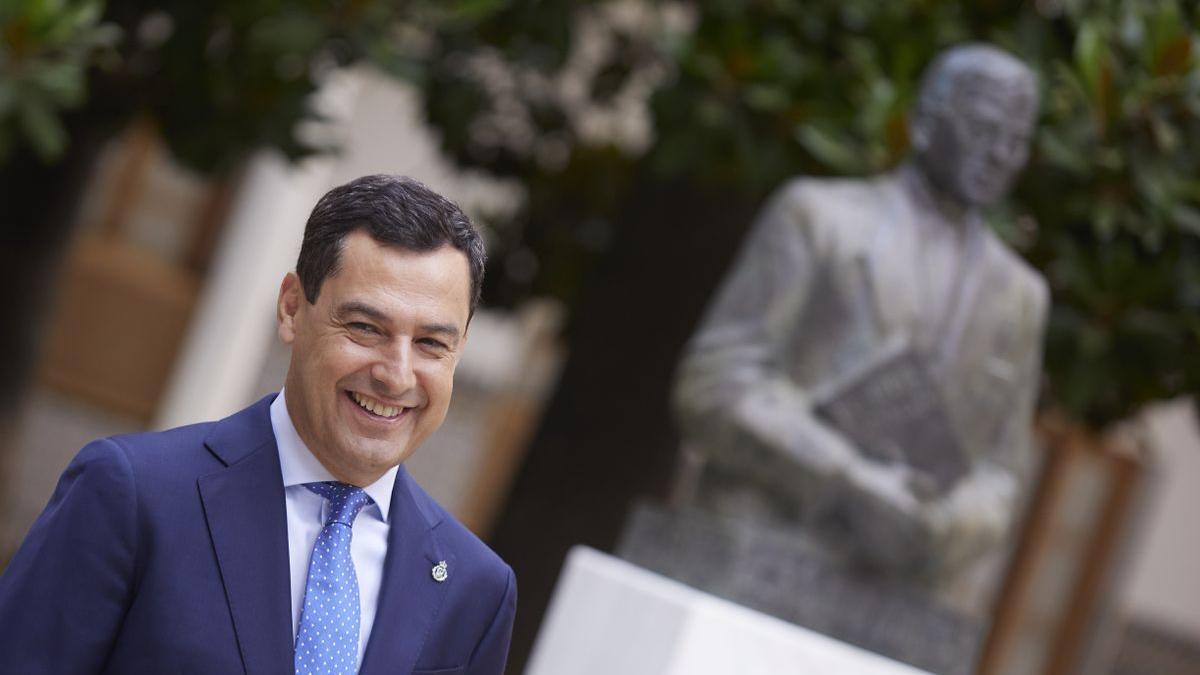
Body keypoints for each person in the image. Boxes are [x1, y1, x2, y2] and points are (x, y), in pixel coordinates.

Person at [0, 175, 516, 674]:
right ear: (292, 308)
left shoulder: (476, 589)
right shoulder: (131, 496)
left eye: (431, 343)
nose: (396, 374)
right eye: (365, 327)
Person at [673, 44, 1048, 602]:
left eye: (1016, 141)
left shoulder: (1021, 295)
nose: (1000, 154)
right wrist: (846, 475)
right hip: (755, 543)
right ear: (923, 124)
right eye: (984, 128)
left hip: (898, 591)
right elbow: (714, 384)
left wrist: (946, 526)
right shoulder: (818, 219)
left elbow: (1002, 473)